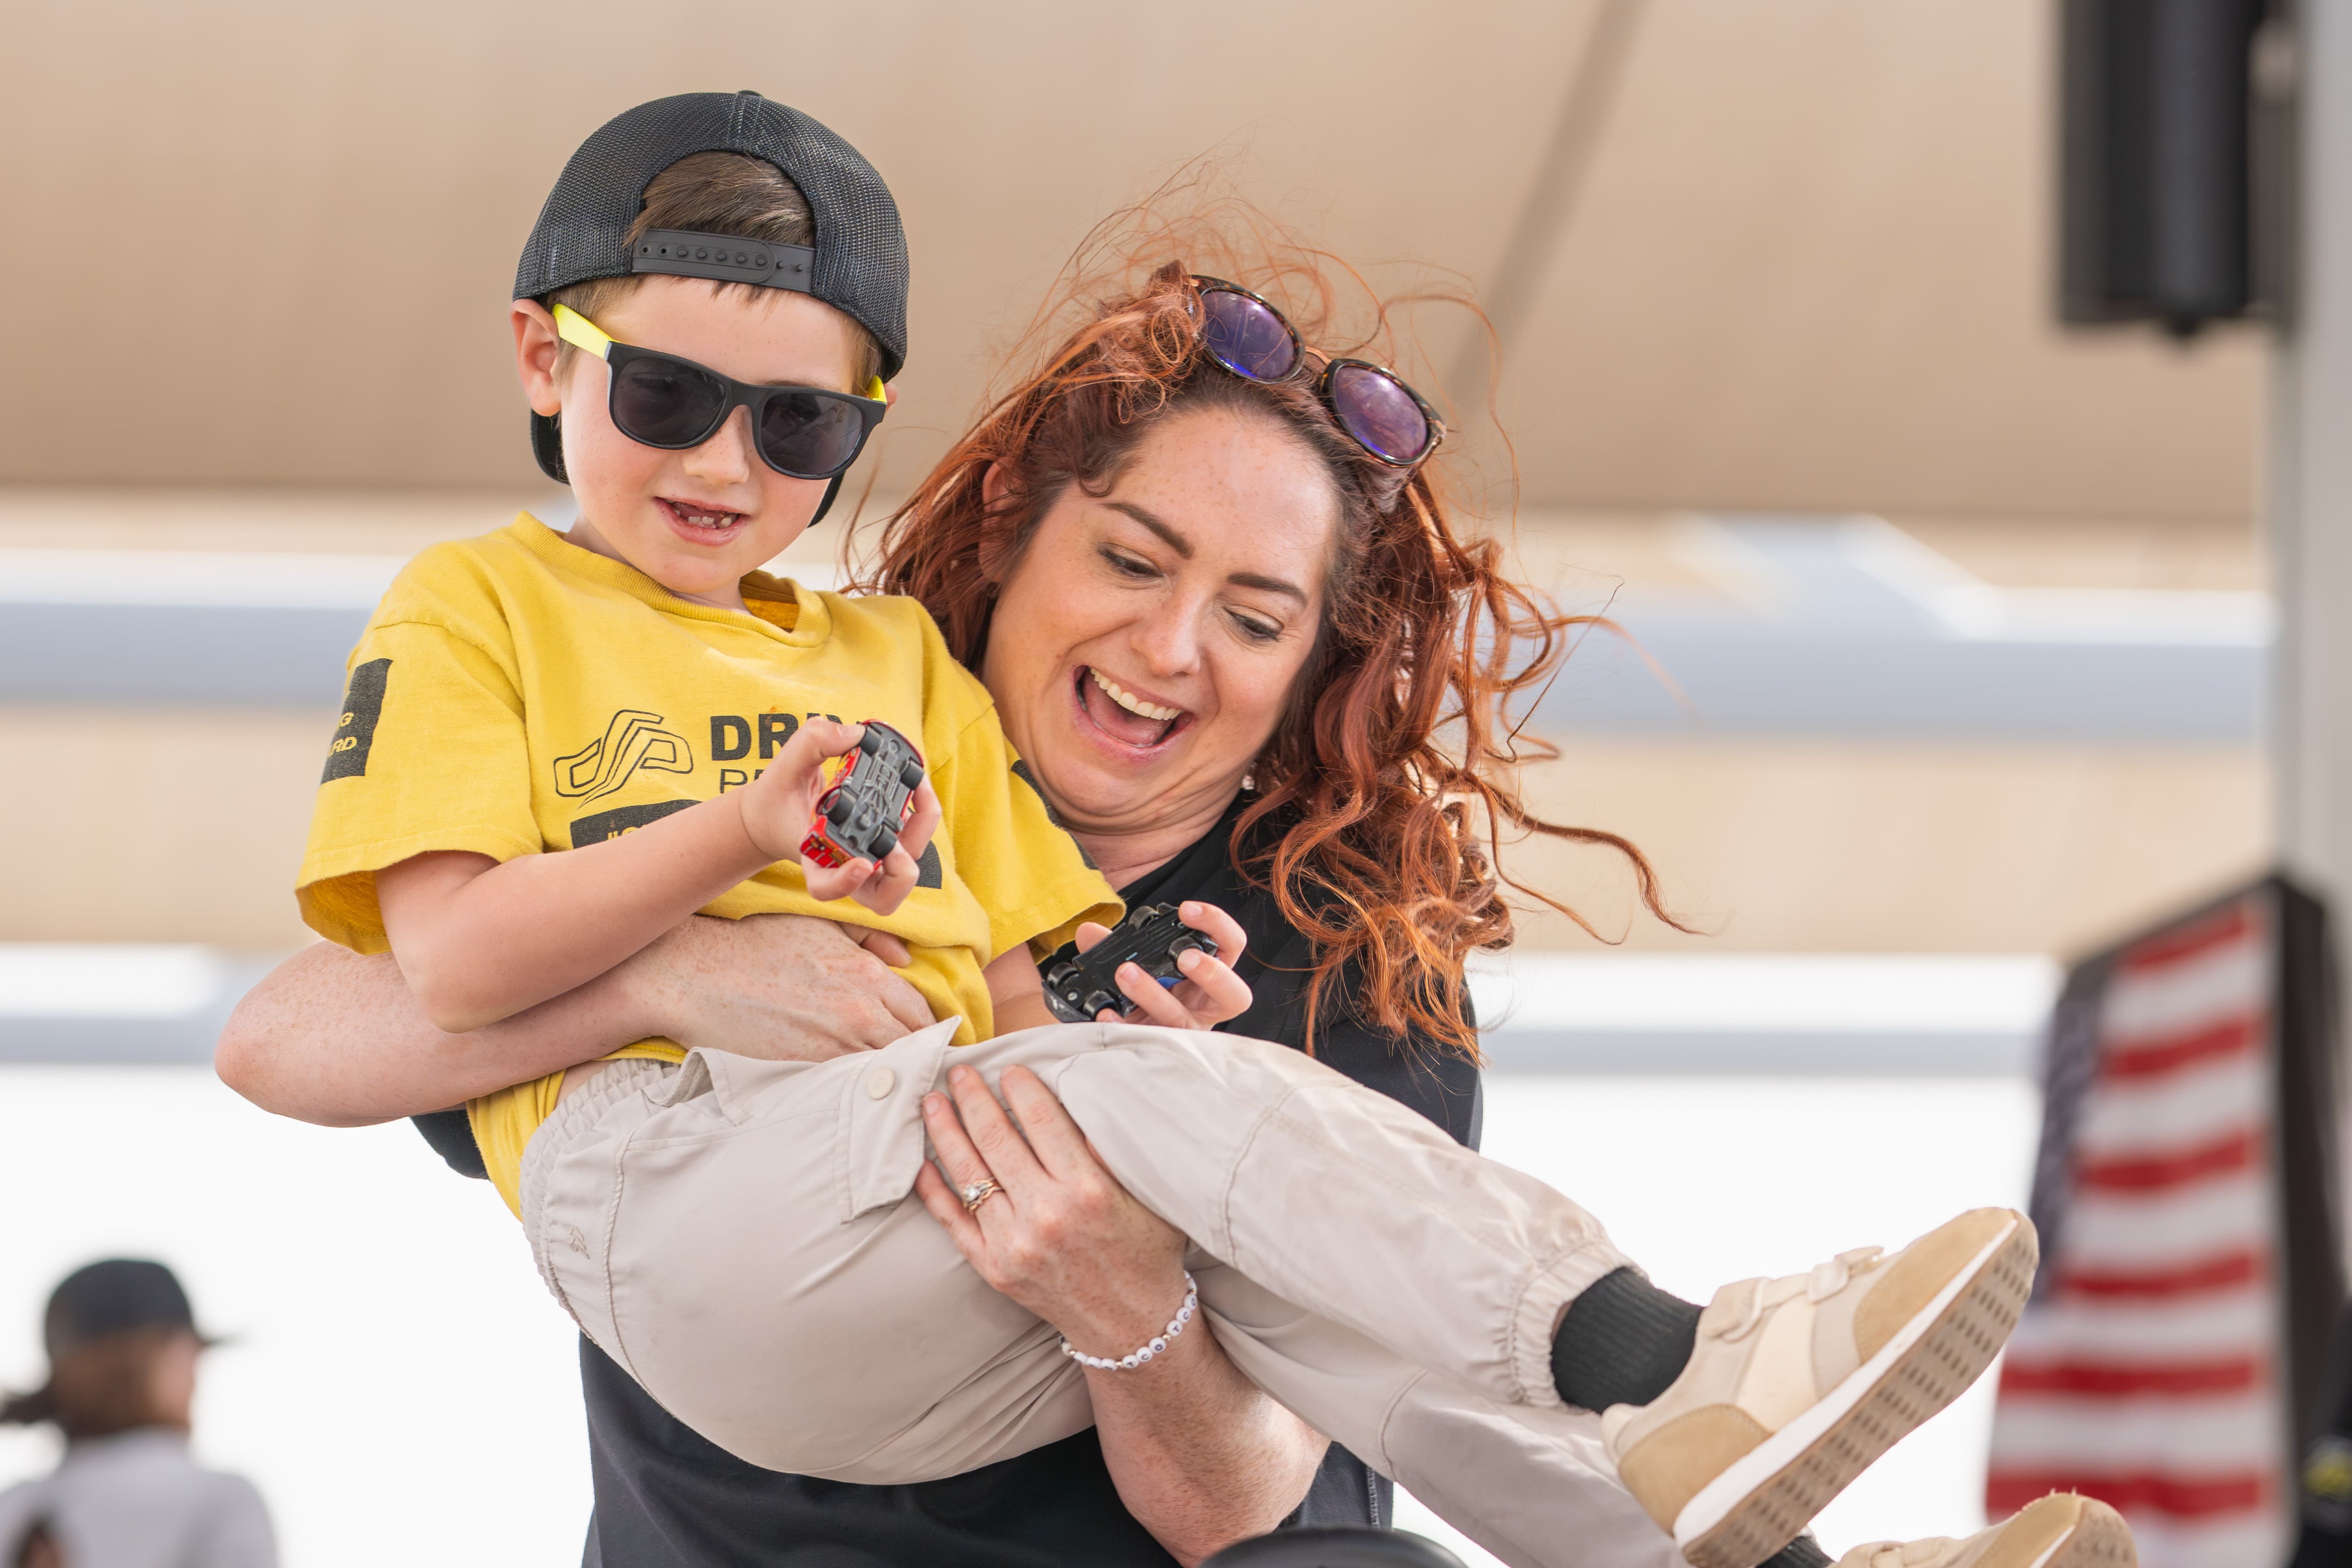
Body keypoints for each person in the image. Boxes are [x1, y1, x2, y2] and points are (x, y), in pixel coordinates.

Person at [216, 98, 2118, 1568]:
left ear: (1310, 672)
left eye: (1254, 614)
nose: (1169, 645)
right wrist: (690, 966)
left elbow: (1263, 1495)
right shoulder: (747, 717)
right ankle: (1674, 1344)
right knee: (1174, 1105)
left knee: (1272, 1267)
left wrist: (1130, 1293)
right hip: (739, 1332)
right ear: (1008, 535)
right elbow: (304, 1022)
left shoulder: (1329, 967)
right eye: (1130, 559)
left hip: (1057, 1433)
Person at [0, 1260, 277, 1568]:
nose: (196, 1377)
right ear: (157, 1359)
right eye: (191, 1353)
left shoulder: (12, 1509)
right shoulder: (222, 1501)